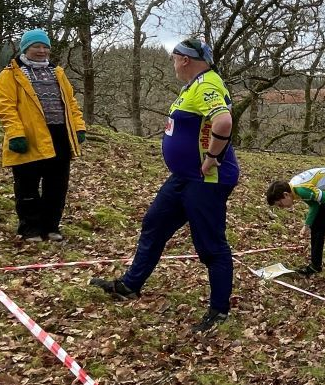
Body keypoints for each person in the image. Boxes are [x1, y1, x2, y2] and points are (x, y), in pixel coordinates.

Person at [91, 38, 238, 333]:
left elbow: (223, 122)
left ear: (184, 59)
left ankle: (219, 311)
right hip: (183, 178)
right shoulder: (194, 85)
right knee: (154, 224)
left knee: (210, 246)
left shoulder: (207, 84)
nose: (173, 64)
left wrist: (212, 157)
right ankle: (130, 285)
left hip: (205, 181)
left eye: (174, 58)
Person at [0, 29, 87, 243]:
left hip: (60, 136)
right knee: (27, 186)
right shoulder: (10, 74)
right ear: (26, 48)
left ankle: (51, 227)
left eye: (45, 47)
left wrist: (78, 128)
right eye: (36, 47)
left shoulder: (58, 73)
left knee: (57, 186)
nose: (42, 51)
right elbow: (5, 106)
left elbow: (71, 103)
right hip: (29, 137)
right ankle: (30, 229)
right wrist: (16, 134)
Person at [265, 167, 325, 280]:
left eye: (280, 204)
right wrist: (307, 225)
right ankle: (315, 266)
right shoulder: (294, 189)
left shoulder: (301, 189)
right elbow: (314, 204)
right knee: (317, 225)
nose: (281, 208)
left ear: (286, 195)